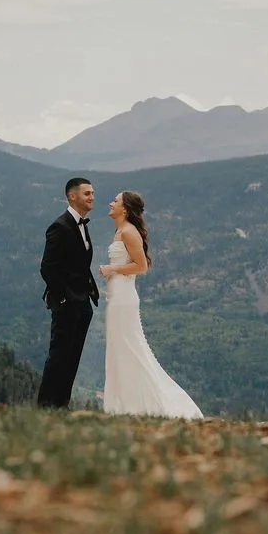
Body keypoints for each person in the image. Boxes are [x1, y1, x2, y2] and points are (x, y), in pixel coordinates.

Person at [99, 190, 203, 418]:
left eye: (115, 201)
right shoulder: (120, 231)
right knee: (119, 347)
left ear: (124, 208)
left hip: (124, 299)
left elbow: (142, 265)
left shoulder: (128, 231)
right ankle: (123, 404)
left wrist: (112, 269)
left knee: (130, 347)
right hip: (116, 296)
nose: (111, 203)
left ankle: (147, 403)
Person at [37, 176, 98, 408]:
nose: (92, 197)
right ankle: (45, 405)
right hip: (66, 303)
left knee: (73, 357)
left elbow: (80, 265)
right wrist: (63, 296)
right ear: (72, 196)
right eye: (87, 193)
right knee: (58, 356)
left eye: (92, 193)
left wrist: (88, 293)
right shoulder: (60, 226)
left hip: (83, 305)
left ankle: (61, 405)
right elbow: (47, 268)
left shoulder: (82, 225)